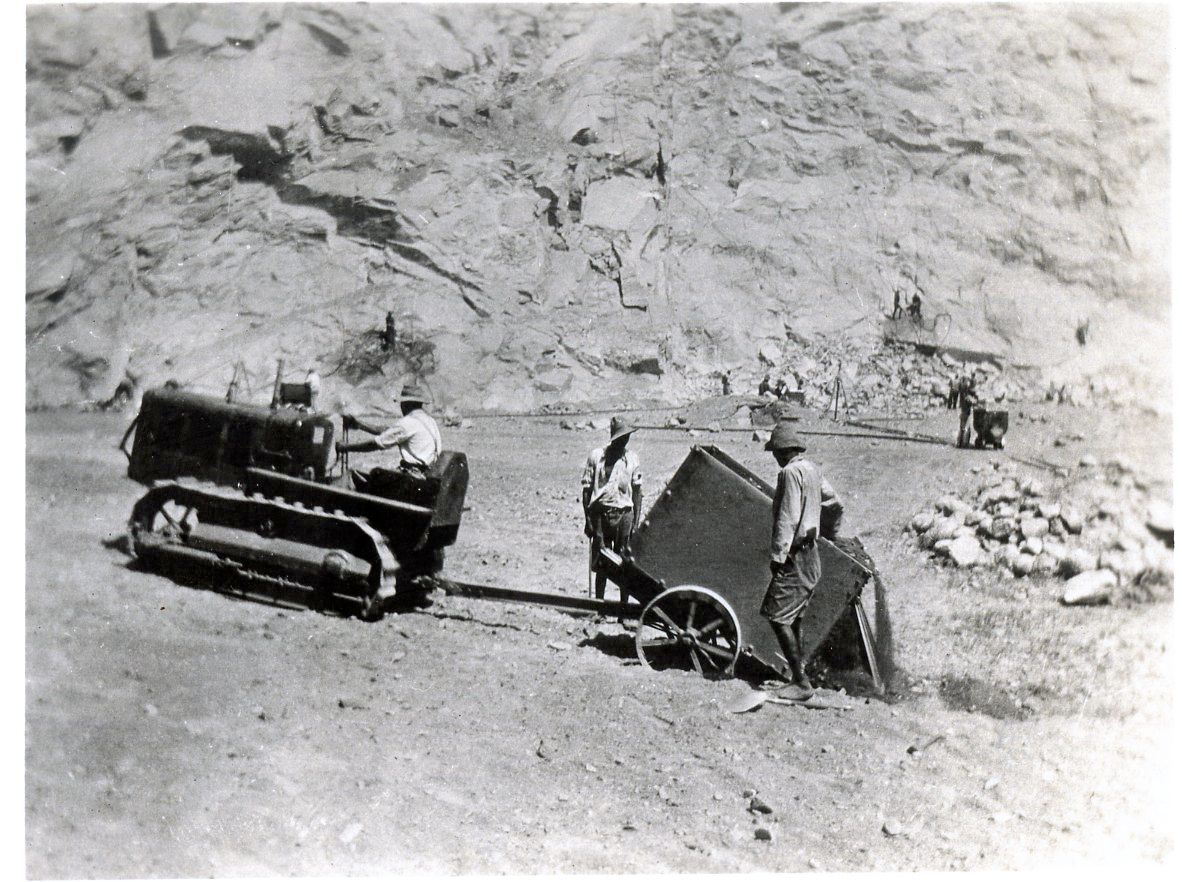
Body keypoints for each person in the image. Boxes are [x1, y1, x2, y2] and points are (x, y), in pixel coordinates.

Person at [761, 422, 844, 701]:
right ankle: (798, 672)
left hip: (795, 556)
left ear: (782, 452)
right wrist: (830, 533)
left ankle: (800, 681)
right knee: (793, 615)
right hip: (813, 555)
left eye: (774, 451)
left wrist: (778, 556)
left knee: (776, 614)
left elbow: (788, 517)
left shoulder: (789, 473)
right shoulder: (812, 469)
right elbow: (834, 503)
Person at [582, 417, 643, 600]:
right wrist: (588, 520)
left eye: (627, 437)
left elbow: (638, 492)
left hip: (625, 514)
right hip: (601, 515)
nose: (625, 440)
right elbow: (586, 490)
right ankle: (599, 606)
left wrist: (635, 523)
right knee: (603, 561)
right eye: (621, 437)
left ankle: (623, 609)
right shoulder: (596, 457)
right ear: (613, 437)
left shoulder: (632, 459)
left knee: (624, 563)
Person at [339, 382, 442, 491]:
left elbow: (376, 444)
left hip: (413, 480)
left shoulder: (408, 422)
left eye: (401, 403)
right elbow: (389, 431)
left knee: (375, 474)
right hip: (426, 478)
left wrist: (346, 447)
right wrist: (360, 425)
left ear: (405, 404)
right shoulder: (430, 421)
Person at [956, 373, 979, 448]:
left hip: (963, 409)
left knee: (962, 426)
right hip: (966, 410)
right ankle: (964, 443)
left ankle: (960, 442)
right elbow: (972, 400)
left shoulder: (962, 390)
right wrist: (975, 401)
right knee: (966, 426)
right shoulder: (966, 394)